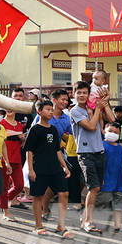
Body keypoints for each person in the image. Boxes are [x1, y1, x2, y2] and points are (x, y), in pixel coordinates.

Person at [25, 99, 72, 238]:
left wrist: (64, 166)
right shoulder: (35, 130)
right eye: (47, 109)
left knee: (64, 193)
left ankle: (61, 226)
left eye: (51, 109)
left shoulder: (53, 129)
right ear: (39, 111)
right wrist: (31, 170)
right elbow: (29, 151)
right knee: (38, 196)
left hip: (55, 169)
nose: (50, 112)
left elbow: (57, 150)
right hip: (39, 168)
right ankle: (38, 226)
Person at [70, 80, 112, 233]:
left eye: (84, 92)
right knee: (93, 187)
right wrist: (98, 109)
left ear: (89, 94)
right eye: (79, 92)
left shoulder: (93, 108)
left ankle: (85, 218)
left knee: (96, 187)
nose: (81, 95)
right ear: (74, 94)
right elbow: (91, 126)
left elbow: (112, 119)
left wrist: (104, 102)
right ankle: (88, 220)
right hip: (85, 153)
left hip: (100, 152)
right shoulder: (75, 111)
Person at [39, 89, 73, 221]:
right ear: (54, 101)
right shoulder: (43, 115)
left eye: (66, 100)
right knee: (46, 184)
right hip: (42, 155)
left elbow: (72, 134)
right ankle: (45, 210)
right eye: (62, 99)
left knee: (60, 183)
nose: (65, 102)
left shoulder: (67, 118)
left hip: (58, 154)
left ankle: (46, 208)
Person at [95, 121, 122, 232]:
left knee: (119, 203)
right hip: (106, 180)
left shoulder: (120, 148)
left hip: (119, 180)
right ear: (104, 131)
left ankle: (118, 224)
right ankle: (86, 218)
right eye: (110, 131)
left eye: (116, 132)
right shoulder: (100, 146)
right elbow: (97, 164)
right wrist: (99, 178)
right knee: (99, 201)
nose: (113, 134)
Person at [0, 104, 26, 219]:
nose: (9, 109)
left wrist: (22, 139)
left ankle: (3, 201)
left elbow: (19, 144)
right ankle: (5, 211)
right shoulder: (1, 123)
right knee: (3, 186)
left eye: (12, 107)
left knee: (19, 185)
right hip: (5, 160)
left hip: (17, 159)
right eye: (6, 107)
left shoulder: (19, 125)